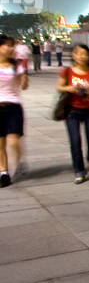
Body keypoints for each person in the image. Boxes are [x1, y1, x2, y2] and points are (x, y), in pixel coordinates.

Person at [58, 43, 89, 183]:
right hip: (72, 110)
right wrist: (70, 88)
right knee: (75, 141)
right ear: (74, 56)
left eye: (85, 54)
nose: (82, 57)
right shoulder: (67, 71)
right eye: (79, 54)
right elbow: (59, 86)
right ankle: (79, 170)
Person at [0, 35, 27, 187]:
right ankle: (4, 173)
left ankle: (18, 163)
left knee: (13, 140)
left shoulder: (16, 65)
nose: (11, 48)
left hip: (13, 107)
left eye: (12, 45)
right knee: (0, 143)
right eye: (8, 45)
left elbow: (23, 86)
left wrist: (23, 78)